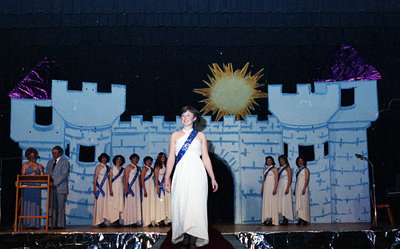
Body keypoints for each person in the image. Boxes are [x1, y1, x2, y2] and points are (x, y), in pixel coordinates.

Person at [164, 106, 218, 249]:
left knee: (195, 206)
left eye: (188, 115)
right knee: (182, 205)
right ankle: (185, 237)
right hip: (181, 173)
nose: (185, 117)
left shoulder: (200, 136)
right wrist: (166, 178)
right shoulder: (174, 136)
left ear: (194, 118)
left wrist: (212, 177)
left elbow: (205, 158)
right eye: (183, 115)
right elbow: (171, 158)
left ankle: (192, 239)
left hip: (197, 174)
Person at [46, 145, 70, 229]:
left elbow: (64, 175)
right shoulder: (50, 162)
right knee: (51, 207)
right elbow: (47, 174)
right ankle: (50, 224)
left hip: (60, 188)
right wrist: (49, 183)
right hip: (51, 188)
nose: (53, 154)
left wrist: (54, 183)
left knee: (60, 207)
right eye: (53, 153)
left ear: (60, 153)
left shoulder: (65, 162)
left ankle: (60, 225)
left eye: (55, 153)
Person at [21, 147, 44, 229]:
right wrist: (29, 176)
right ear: (28, 157)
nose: (33, 158)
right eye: (31, 157)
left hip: (36, 187)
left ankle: (35, 224)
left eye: (34, 156)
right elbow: (22, 176)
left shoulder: (40, 166)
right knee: (27, 204)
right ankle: (27, 224)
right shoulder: (25, 165)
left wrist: (38, 175)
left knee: (35, 204)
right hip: (28, 186)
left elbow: (43, 177)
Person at [123, 154, 142, 227]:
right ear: (131, 159)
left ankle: (135, 220)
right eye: (134, 158)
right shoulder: (128, 167)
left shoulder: (138, 168)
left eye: (137, 159)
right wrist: (126, 187)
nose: (135, 160)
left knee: (136, 203)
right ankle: (130, 221)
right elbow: (126, 178)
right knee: (130, 204)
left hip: (137, 188)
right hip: (130, 188)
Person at [106, 155, 125, 227]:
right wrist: (110, 189)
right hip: (114, 187)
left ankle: (119, 219)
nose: (119, 161)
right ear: (115, 160)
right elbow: (110, 180)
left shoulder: (123, 169)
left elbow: (123, 180)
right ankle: (114, 220)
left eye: (120, 159)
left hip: (120, 187)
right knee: (114, 203)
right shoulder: (112, 169)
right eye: (117, 159)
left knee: (120, 203)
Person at [92, 153, 110, 227]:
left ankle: (104, 220)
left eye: (105, 158)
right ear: (100, 159)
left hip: (106, 187)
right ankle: (99, 221)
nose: (104, 159)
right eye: (103, 158)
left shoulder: (108, 167)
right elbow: (95, 178)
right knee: (99, 204)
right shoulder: (98, 167)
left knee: (105, 204)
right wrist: (94, 188)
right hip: (100, 187)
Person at [261, 156, 279, 226]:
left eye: (270, 160)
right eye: (267, 160)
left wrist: (275, 188)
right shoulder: (264, 170)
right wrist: (262, 189)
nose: (268, 161)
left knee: (272, 202)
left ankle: (273, 219)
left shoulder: (274, 169)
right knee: (267, 202)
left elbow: (276, 180)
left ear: (272, 161)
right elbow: (264, 180)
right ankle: (267, 218)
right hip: (266, 188)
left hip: (272, 187)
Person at [154, 152, 171, 226]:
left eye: (164, 156)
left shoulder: (167, 166)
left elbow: (168, 176)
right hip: (160, 186)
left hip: (166, 186)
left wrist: (170, 186)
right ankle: (160, 219)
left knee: (167, 202)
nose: (163, 158)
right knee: (160, 203)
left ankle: (167, 219)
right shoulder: (157, 167)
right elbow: (156, 178)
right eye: (161, 156)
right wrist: (157, 188)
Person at [277, 155, 293, 225]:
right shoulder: (279, 168)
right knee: (281, 201)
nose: (281, 161)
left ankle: (285, 219)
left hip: (286, 185)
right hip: (280, 186)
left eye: (282, 159)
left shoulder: (288, 168)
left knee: (286, 201)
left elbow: (290, 179)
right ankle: (282, 217)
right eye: (280, 160)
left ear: (285, 160)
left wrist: (288, 188)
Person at [294, 156, 310, 226]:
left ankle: (304, 219)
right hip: (298, 187)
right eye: (299, 161)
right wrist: (294, 189)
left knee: (303, 203)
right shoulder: (297, 170)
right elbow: (296, 180)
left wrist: (304, 188)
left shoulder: (306, 169)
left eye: (301, 161)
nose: (300, 162)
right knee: (299, 203)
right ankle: (299, 219)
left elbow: (307, 180)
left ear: (304, 162)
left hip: (303, 187)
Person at [141, 156, 156, 227]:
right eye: (147, 161)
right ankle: (146, 222)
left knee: (151, 203)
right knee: (146, 204)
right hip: (146, 186)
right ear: (145, 162)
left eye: (150, 161)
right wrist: (144, 190)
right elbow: (142, 180)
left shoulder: (152, 169)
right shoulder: (144, 168)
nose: (149, 162)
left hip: (151, 186)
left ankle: (151, 220)